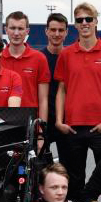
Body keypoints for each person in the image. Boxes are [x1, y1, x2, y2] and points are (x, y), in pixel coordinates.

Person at [54, 3, 101, 201]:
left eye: (89, 19)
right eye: (79, 20)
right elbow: (61, 89)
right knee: (74, 180)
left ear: (96, 22)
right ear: (75, 25)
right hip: (73, 128)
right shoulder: (66, 54)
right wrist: (60, 121)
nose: (84, 23)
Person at [1, 11, 51, 120]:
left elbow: (43, 100)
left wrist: (41, 129)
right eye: (12, 28)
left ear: (27, 31)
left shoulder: (39, 58)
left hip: (29, 122)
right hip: (1, 123)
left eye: (20, 28)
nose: (16, 33)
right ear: (6, 30)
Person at [41, 13, 69, 153]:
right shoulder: (38, 58)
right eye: (53, 30)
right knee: (39, 169)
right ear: (46, 31)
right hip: (43, 122)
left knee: (68, 170)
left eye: (61, 30)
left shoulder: (71, 58)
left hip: (67, 123)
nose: (56, 34)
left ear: (66, 32)